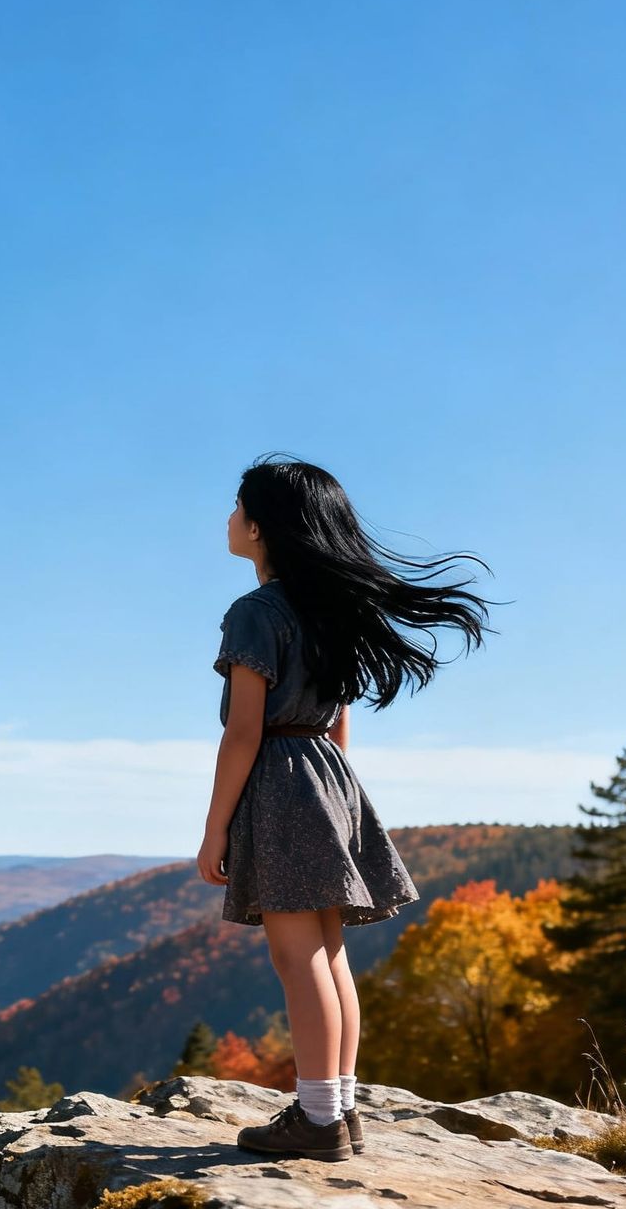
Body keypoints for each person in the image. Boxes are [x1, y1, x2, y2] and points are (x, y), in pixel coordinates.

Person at [197, 454, 497, 1162]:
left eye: (239, 507)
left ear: (262, 527)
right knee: (328, 953)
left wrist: (215, 829)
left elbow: (243, 731)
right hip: (329, 776)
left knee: (297, 957)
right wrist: (331, 797)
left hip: (279, 779)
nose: (229, 519)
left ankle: (319, 1120)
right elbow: (340, 722)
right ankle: (341, 1108)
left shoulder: (254, 614)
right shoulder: (330, 609)